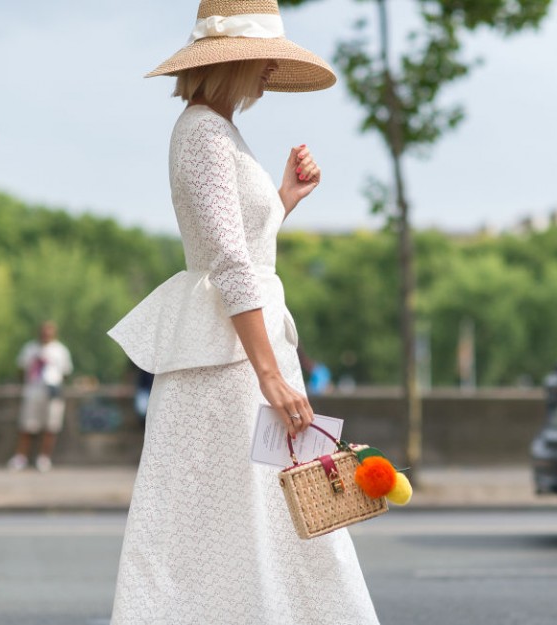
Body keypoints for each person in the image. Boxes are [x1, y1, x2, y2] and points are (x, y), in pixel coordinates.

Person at [105, 2, 379, 623]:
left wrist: (282, 200)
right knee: (233, 524)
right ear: (231, 62)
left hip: (241, 356)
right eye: (262, 61)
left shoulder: (219, 129)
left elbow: (237, 246)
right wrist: (271, 376)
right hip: (228, 366)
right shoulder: (202, 131)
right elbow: (227, 262)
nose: (268, 74)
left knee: (261, 522)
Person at [7, 321, 73, 473]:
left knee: (51, 426)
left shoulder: (60, 350)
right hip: (33, 390)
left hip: (52, 391)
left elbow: (65, 372)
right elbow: (21, 369)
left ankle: (44, 458)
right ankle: (21, 456)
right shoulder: (30, 348)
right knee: (27, 425)